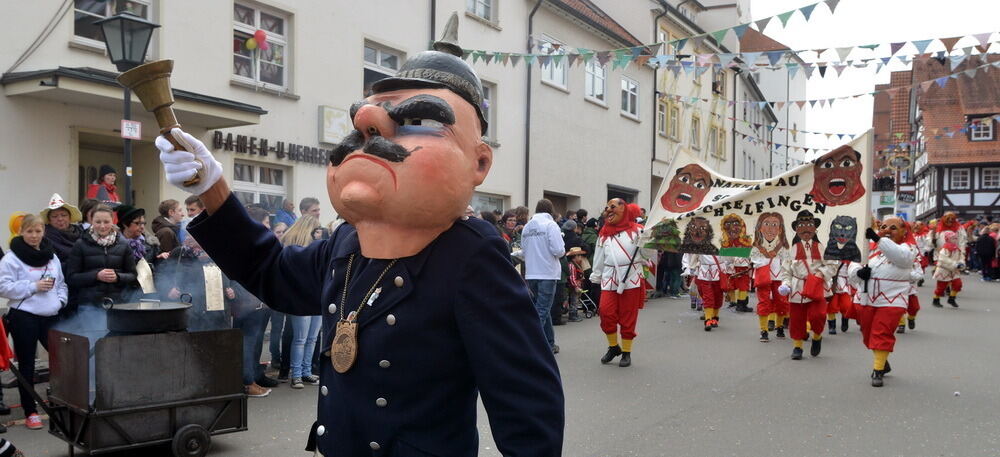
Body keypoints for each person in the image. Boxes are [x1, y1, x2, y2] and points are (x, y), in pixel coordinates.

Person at [156, 29, 563, 455]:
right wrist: (213, 186)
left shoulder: (469, 256)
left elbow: (526, 403)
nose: (370, 126)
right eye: (363, 124)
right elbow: (272, 273)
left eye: (417, 121)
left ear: (479, 162)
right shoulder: (346, 241)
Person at [0, 214, 68, 430]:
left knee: (62, 362)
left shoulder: (52, 256)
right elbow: (3, 286)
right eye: (29, 231)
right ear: (21, 232)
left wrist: (60, 300)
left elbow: (62, 283)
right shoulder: (11, 258)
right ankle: (31, 412)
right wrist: (33, 287)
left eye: (38, 231)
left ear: (43, 232)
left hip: (51, 315)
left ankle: (62, 403)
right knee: (27, 365)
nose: (34, 235)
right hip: (24, 317)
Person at [849, 218, 917, 387]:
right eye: (884, 227)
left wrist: (880, 239)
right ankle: (882, 359)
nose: (887, 230)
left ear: (904, 232)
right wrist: (859, 272)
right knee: (868, 335)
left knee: (881, 332)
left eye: (893, 228)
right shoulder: (869, 250)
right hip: (866, 298)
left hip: (892, 300)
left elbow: (902, 259)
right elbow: (853, 263)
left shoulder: (907, 248)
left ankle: (877, 370)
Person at [590, 199, 651, 366]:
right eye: (607, 207)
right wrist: (596, 275)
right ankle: (613, 346)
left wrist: (647, 241)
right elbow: (599, 256)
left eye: (613, 207)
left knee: (628, 316)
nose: (609, 210)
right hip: (609, 277)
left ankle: (626, 352)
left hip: (631, 278)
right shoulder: (603, 232)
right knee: (605, 312)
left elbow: (648, 255)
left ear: (625, 210)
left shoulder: (638, 231)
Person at [779, 210, 836, 360]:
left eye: (809, 225)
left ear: (815, 229)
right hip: (797, 288)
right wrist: (786, 284)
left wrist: (821, 274)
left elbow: (832, 265)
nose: (806, 229)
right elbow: (786, 271)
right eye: (802, 225)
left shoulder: (821, 247)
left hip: (816, 286)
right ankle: (797, 347)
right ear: (797, 229)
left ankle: (817, 337)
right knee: (797, 318)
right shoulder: (791, 250)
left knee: (818, 316)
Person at [280, 215, 323, 388]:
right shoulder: (294, 250)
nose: (320, 234)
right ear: (310, 231)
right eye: (318, 230)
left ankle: (306, 372)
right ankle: (296, 374)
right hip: (301, 299)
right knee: (300, 339)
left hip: (317, 297)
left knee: (312, 338)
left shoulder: (316, 248)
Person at [65, 205, 138, 307]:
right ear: (91, 221)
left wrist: (118, 277)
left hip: (118, 303)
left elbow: (133, 275)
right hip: (89, 305)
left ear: (113, 221)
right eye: (98, 222)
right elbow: (71, 278)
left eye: (106, 222)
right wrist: (96, 276)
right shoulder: (80, 244)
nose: (102, 226)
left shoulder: (124, 244)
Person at [521, 199, 566, 353]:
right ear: (550, 210)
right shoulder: (551, 225)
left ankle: (550, 343)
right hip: (547, 272)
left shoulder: (527, 227)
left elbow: (524, 250)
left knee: (541, 310)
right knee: (541, 311)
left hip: (531, 273)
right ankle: (531, 345)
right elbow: (559, 251)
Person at [228, 275, 273, 398]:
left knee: (252, 345)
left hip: (255, 306)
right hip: (246, 308)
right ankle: (247, 383)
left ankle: (252, 379)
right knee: (246, 346)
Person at [750, 212, 791, 342]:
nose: (770, 228)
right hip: (764, 277)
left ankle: (779, 326)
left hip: (780, 277)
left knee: (782, 302)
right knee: (764, 302)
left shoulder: (784, 245)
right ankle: (764, 330)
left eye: (774, 225)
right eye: (766, 224)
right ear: (760, 227)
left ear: (780, 228)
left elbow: (788, 261)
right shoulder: (756, 245)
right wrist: (766, 256)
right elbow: (754, 260)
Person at [40, 193, 84, 264]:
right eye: (54, 216)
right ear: (49, 220)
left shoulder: (81, 232)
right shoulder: (45, 237)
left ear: (70, 218)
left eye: (64, 215)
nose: (60, 219)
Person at [932, 230, 964, 307]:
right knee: (941, 288)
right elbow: (943, 259)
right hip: (944, 270)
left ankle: (952, 298)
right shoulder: (945, 249)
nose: (955, 240)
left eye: (956, 238)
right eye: (953, 238)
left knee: (958, 284)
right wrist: (954, 264)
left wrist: (961, 263)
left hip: (954, 270)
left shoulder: (957, 248)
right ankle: (936, 300)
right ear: (947, 239)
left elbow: (961, 257)